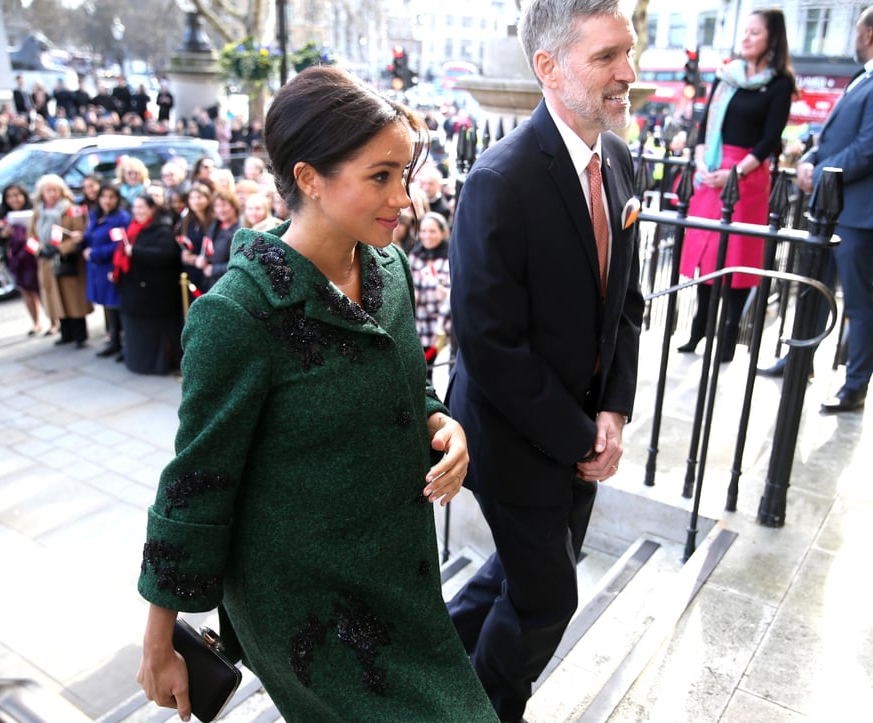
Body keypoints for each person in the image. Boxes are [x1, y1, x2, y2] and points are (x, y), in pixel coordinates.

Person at [136, 65, 496, 723]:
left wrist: (445, 423)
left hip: (399, 578)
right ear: (309, 179)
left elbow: (407, 383)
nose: (406, 199)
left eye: (405, 175)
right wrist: (159, 641)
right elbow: (195, 482)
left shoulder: (386, 266)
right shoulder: (236, 315)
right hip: (309, 609)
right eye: (381, 176)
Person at [444, 1, 645, 719]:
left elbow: (627, 303)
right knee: (549, 593)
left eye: (629, 50)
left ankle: (434, 671)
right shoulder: (500, 180)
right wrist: (579, 435)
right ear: (548, 68)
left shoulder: (619, 160)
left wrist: (613, 412)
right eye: (606, 58)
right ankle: (486, 710)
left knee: (521, 572)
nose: (628, 72)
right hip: (512, 434)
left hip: (584, 433)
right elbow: (491, 345)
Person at [793, 2, 873, 412]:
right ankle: (799, 362)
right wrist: (811, 159)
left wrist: (821, 171)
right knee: (814, 290)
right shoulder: (871, 76)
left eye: (857, 31)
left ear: (868, 34)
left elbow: (871, 149)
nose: (854, 38)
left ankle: (855, 385)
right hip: (834, 207)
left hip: (860, 213)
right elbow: (833, 137)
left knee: (859, 303)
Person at [677, 9, 795, 362]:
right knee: (706, 253)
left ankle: (728, 335)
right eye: (745, 31)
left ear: (773, 39)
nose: (746, 38)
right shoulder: (726, 76)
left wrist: (736, 173)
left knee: (739, 255)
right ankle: (698, 328)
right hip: (711, 170)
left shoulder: (779, 83)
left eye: (755, 33)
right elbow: (704, 125)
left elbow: (771, 139)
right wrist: (701, 161)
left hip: (748, 174)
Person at [116, 194, 183, 374]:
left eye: (141, 207)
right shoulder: (132, 229)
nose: (137, 211)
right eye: (135, 207)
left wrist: (136, 251)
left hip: (156, 293)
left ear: (152, 209)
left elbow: (167, 255)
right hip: (135, 291)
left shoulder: (162, 230)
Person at [30, 174, 92, 346]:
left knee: (74, 300)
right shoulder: (38, 213)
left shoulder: (72, 210)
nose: (52, 194)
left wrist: (59, 249)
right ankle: (66, 334)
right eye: (48, 191)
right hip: (47, 263)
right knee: (56, 299)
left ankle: (80, 336)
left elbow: (79, 236)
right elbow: (30, 238)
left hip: (68, 261)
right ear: (42, 193)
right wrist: (40, 251)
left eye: (56, 190)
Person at [80, 184, 131, 358]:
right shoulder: (96, 215)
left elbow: (118, 245)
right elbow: (90, 236)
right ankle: (113, 341)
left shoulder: (121, 218)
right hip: (97, 269)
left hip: (110, 266)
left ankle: (124, 344)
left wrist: (95, 253)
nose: (107, 201)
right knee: (108, 306)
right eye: (104, 197)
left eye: (111, 197)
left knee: (117, 305)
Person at [0, 184, 44, 335]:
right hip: (16, 258)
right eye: (9, 196)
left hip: (32, 256)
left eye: (17, 195)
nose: (14, 199)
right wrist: (4, 235)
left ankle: (54, 321)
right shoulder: (3, 217)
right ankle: (36, 322)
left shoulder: (35, 212)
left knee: (40, 289)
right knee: (25, 290)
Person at [408, 212, 452, 376]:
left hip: (440, 327)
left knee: (438, 372)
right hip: (418, 325)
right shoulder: (414, 256)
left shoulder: (449, 258)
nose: (427, 236)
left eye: (432, 231)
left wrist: (445, 295)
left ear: (443, 232)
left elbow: (450, 296)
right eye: (424, 231)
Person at [193, 189, 240, 291]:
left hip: (230, 285)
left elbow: (239, 261)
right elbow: (208, 250)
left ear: (233, 206)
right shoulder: (215, 227)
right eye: (217, 206)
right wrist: (203, 258)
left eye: (224, 205)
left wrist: (214, 270)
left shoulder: (240, 229)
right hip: (212, 283)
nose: (220, 210)